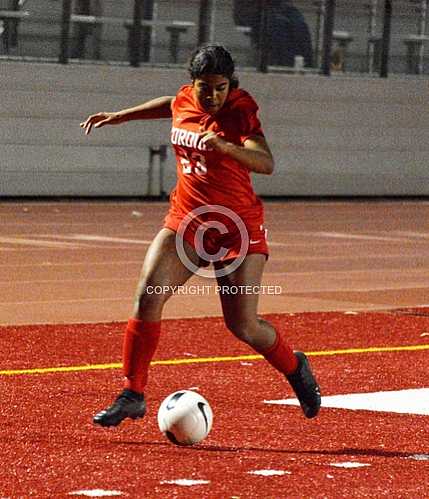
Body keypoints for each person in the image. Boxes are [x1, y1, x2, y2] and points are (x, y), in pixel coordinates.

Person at [80, 44, 321, 428]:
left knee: (243, 325)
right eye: (204, 87)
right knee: (148, 296)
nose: (212, 96)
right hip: (187, 220)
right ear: (192, 84)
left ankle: (295, 367)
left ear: (231, 84)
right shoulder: (185, 98)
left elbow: (266, 162)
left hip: (236, 226)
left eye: (220, 87)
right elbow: (171, 104)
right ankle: (133, 393)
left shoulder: (240, 109)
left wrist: (226, 147)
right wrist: (122, 117)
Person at [233, 0, 313, 68]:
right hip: (255, 11)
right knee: (279, 26)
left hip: (278, 7)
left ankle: (307, 65)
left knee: (300, 24)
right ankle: (285, 65)